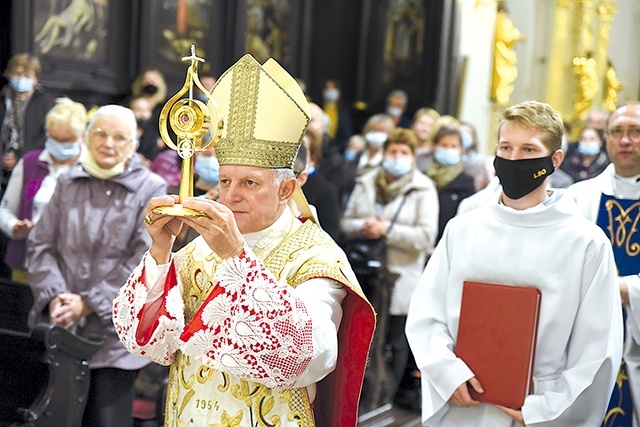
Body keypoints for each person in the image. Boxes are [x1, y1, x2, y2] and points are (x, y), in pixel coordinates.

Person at [112, 54, 375, 427]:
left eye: (249, 183)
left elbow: (307, 358)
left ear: (286, 188)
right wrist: (160, 250)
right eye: (224, 181)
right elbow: (151, 343)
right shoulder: (199, 247)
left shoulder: (314, 257)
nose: (231, 196)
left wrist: (236, 257)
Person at [406, 100, 623, 426]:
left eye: (527, 150)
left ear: (555, 160)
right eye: (505, 147)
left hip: (540, 406)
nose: (513, 159)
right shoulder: (463, 227)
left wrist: (545, 410)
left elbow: (598, 347)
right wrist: (446, 372)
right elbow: (427, 312)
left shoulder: (586, 243)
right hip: (463, 401)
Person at [27, 104, 167, 427]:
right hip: (62, 328)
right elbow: (41, 244)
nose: (108, 143)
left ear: (133, 144)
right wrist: (57, 295)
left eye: (120, 138)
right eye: (101, 134)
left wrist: (88, 302)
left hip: (115, 340)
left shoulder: (152, 188)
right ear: (87, 137)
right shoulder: (68, 180)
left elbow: (143, 259)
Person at [341, 127, 439, 411]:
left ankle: (385, 399)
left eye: (403, 153)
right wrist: (364, 227)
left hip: (400, 278)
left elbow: (426, 238)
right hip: (365, 275)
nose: (397, 157)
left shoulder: (423, 188)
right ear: (384, 154)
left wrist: (388, 231)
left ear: (412, 157)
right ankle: (359, 397)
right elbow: (346, 222)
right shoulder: (366, 181)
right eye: (393, 152)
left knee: (393, 341)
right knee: (360, 339)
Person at [567, 102, 640, 426]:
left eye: (636, 132)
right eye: (618, 132)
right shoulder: (576, 198)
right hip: (585, 339)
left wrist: (628, 289)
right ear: (606, 138)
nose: (626, 141)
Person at [0, 97, 85, 284]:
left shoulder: (90, 169)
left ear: (82, 136)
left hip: (71, 271)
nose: (60, 145)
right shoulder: (30, 162)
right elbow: (4, 209)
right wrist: (14, 227)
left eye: (67, 140)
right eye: (54, 138)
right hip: (26, 265)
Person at [425, 125, 476, 242]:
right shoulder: (424, 177)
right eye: (444, 145)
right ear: (434, 147)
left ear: (461, 150)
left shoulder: (466, 182)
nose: (448, 150)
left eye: (453, 146)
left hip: (448, 241)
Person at [321, 78, 354, 153]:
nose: (330, 91)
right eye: (328, 88)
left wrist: (335, 150)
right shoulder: (318, 109)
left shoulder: (343, 112)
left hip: (337, 151)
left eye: (333, 88)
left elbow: (346, 135)